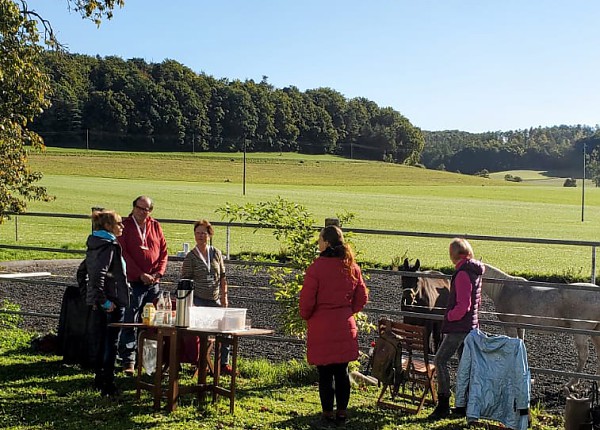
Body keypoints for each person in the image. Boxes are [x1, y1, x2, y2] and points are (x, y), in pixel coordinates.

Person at [299, 225, 369, 426]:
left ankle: (327, 413)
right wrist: (348, 312)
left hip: (321, 326)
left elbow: (306, 301)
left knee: (325, 374)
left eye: (320, 239)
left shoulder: (316, 268)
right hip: (344, 324)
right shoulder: (351, 266)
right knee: (342, 372)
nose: (318, 243)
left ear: (327, 242)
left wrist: (308, 316)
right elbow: (362, 296)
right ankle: (342, 413)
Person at [429, 237, 485, 420]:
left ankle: (443, 403)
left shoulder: (462, 273)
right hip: (471, 325)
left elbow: (463, 305)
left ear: (454, 254)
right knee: (464, 365)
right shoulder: (474, 271)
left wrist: (449, 316)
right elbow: (476, 302)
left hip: (459, 326)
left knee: (440, 360)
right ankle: (464, 404)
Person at [117, 196, 168, 374]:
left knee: (152, 322)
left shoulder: (155, 226)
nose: (142, 212)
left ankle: (148, 360)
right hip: (133, 281)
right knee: (130, 319)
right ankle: (128, 360)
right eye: (140, 208)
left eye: (146, 209)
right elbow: (123, 252)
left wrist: (158, 273)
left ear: (151, 211)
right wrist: (140, 274)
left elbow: (163, 251)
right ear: (133, 207)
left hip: (153, 283)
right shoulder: (125, 225)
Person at [85, 210, 129, 397]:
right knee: (111, 342)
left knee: (101, 340)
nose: (122, 226)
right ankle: (108, 384)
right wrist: (104, 301)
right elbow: (97, 276)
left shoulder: (95, 244)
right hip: (111, 302)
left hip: (101, 301)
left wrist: (90, 297)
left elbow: (83, 272)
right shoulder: (108, 246)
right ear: (108, 226)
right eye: (119, 223)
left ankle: (99, 379)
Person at [180, 219, 232, 374]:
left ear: (209, 234)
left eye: (203, 233)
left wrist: (224, 297)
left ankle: (223, 364)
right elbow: (185, 281)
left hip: (215, 299)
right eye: (197, 233)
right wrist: (191, 304)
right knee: (198, 331)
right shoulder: (190, 257)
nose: (200, 236)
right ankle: (199, 362)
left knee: (226, 328)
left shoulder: (216, 253)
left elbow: (223, 276)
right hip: (198, 300)